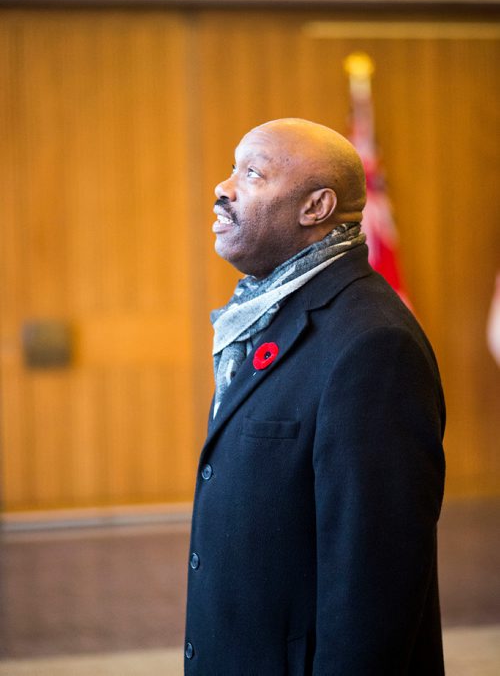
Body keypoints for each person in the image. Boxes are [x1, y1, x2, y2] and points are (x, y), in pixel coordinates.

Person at [184, 118, 446, 675]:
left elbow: (375, 583)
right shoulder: (268, 313)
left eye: (251, 174)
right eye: (233, 168)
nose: (223, 188)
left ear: (316, 207)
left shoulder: (373, 345)